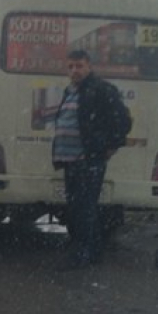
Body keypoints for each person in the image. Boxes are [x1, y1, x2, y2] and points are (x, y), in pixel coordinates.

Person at [52, 48, 132, 269]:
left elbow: (123, 122)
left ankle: (84, 254)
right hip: (70, 161)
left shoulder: (101, 90)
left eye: (79, 66)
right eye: (70, 66)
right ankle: (88, 249)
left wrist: (109, 147)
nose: (74, 70)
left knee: (85, 208)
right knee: (76, 207)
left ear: (89, 66)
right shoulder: (71, 91)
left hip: (87, 160)